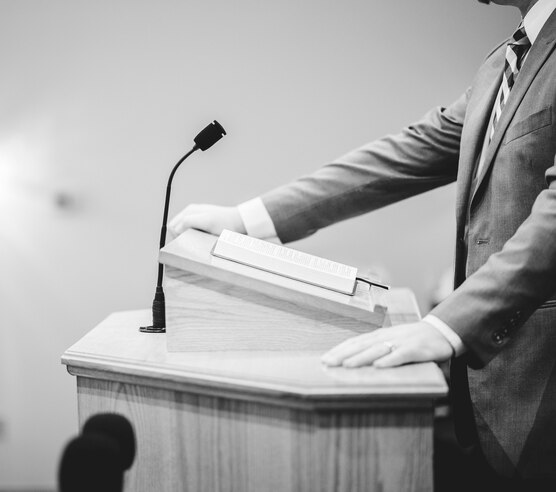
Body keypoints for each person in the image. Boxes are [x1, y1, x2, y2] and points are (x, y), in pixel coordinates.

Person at [168, 0, 556, 489]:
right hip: (484, 405)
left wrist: (447, 324)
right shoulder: (502, 63)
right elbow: (405, 154)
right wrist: (246, 219)